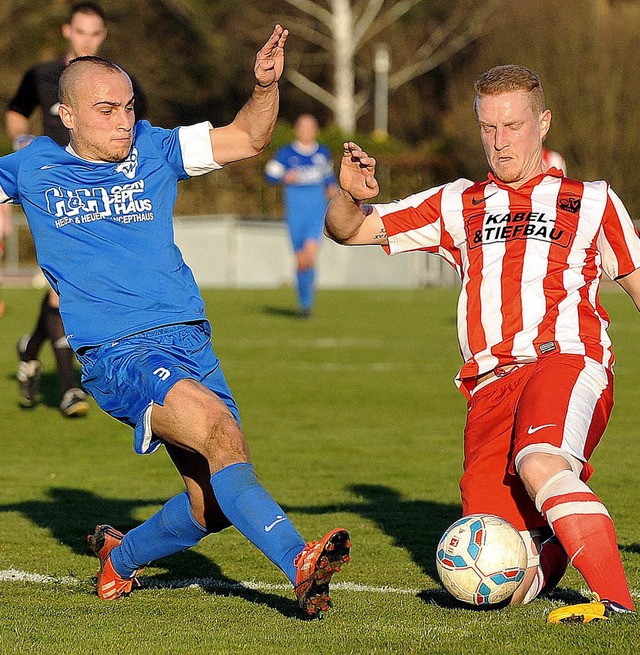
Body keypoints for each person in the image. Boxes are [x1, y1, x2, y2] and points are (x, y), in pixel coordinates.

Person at [0, 26, 350, 617]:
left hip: (190, 339)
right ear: (65, 115)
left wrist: (265, 87)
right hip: (120, 354)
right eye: (106, 109)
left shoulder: (155, 148)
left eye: (129, 105)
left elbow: (247, 136)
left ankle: (120, 559)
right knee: (216, 428)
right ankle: (298, 561)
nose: (122, 120)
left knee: (211, 502)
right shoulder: (32, 167)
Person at [324, 64, 640, 624]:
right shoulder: (457, 203)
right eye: (488, 127)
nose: (500, 141)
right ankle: (557, 544)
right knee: (502, 575)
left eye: (513, 125)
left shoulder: (592, 201)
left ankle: (615, 600)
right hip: (489, 391)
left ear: (542, 124)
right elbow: (349, 230)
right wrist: (346, 194)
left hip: (564, 360)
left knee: (539, 459)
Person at [7, 1, 146, 417]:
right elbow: (16, 113)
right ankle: (70, 388)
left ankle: (31, 347)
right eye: (81, 32)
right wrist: (22, 145)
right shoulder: (43, 75)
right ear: (68, 31)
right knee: (61, 286)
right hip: (52, 193)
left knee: (63, 285)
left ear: (103, 36)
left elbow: (137, 136)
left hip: (100, 195)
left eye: (95, 33)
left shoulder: (119, 83)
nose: (87, 39)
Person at [265, 114, 337, 317]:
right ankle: (303, 302)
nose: (306, 131)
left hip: (316, 211)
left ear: (316, 130)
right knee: (301, 260)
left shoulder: (322, 153)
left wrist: (334, 191)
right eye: (302, 127)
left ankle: (307, 305)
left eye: (310, 127)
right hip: (296, 212)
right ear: (297, 130)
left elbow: (329, 179)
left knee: (309, 254)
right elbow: (270, 175)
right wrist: (284, 177)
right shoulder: (286, 153)